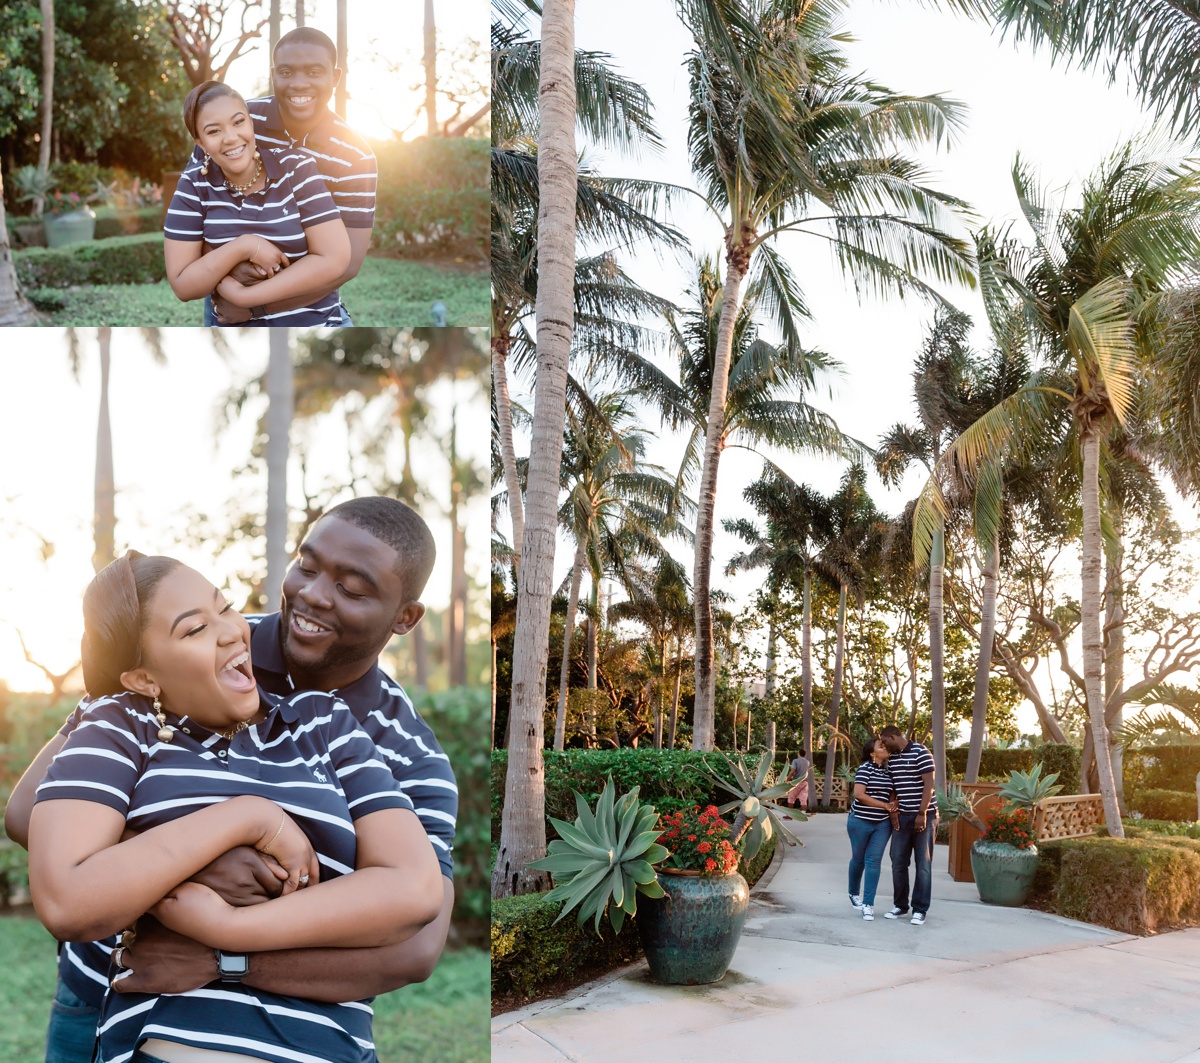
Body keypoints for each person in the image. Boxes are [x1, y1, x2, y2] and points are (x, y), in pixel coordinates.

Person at [5, 496, 459, 1063]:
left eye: (353, 588)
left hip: (284, 1026)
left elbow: (413, 949)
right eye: (308, 565)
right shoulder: (194, 646)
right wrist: (188, 856)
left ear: (405, 617)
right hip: (106, 983)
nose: (315, 594)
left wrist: (226, 957)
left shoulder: (404, 752)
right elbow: (31, 811)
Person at [204, 28, 377, 327]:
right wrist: (224, 273)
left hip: (310, 311)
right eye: (286, 72)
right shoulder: (239, 123)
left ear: (334, 78)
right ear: (274, 75)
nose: (299, 84)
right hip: (227, 302)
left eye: (313, 72)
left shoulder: (355, 156)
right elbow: (191, 211)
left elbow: (346, 265)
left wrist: (258, 307)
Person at [163, 78, 351, 326]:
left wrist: (247, 298)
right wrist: (245, 246)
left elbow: (334, 259)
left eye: (238, 122)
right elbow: (183, 283)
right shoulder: (194, 186)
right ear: (200, 143)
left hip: (320, 324)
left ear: (251, 122)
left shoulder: (296, 168)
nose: (230, 138)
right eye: (213, 131)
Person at [879, 723, 937, 926]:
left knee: (923, 864)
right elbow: (894, 788)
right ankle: (901, 905)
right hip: (902, 816)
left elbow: (929, 785)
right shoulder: (893, 758)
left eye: (885, 742)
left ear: (894, 736)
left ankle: (920, 909)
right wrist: (894, 812)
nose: (884, 747)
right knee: (898, 861)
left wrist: (922, 813)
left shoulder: (921, 752)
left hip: (924, 815)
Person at [846, 737, 898, 921]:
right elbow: (859, 794)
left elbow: (894, 793)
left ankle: (868, 904)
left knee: (873, 861)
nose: (884, 747)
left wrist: (891, 805)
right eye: (880, 746)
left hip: (882, 824)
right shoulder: (864, 769)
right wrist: (884, 805)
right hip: (860, 821)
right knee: (858, 859)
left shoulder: (889, 771)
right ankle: (853, 893)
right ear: (872, 753)